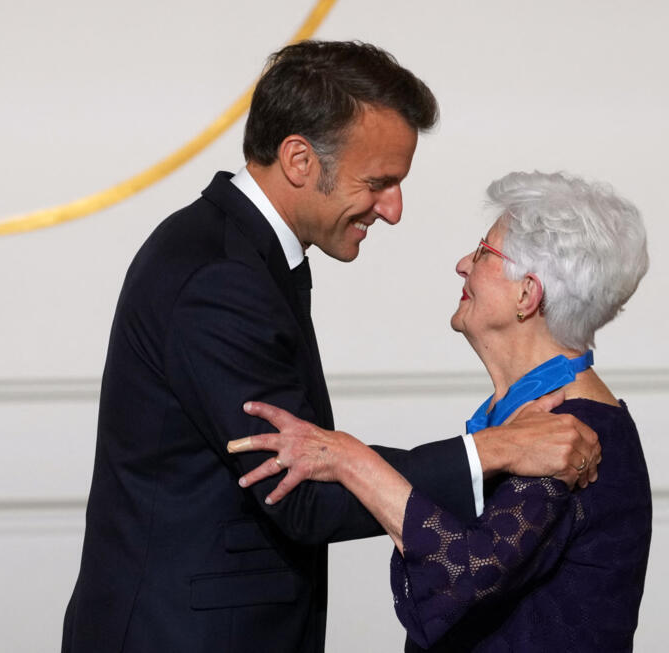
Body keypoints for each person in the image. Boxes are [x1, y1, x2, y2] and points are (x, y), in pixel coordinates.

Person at [61, 42, 601, 653]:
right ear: (298, 158)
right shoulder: (220, 277)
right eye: (379, 183)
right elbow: (302, 491)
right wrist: (494, 452)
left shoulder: (238, 252)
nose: (394, 210)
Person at [229, 170, 652, 651]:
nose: (462, 264)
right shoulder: (534, 419)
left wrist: (345, 457)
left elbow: (461, 574)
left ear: (526, 294)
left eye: (483, 253)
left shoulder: (567, 436)